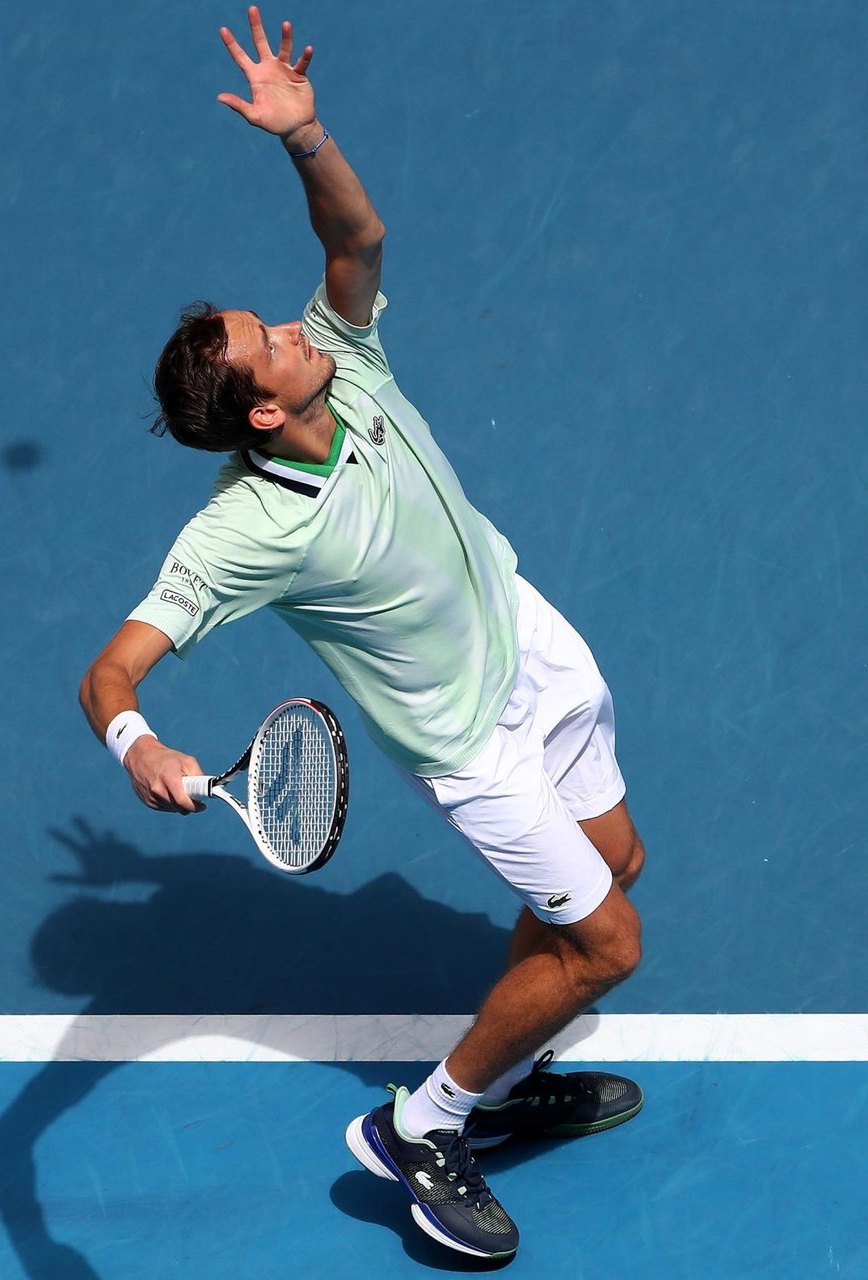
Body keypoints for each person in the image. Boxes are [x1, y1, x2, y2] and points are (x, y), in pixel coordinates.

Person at [80, 7, 645, 1261]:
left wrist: (303, 134)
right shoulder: (237, 538)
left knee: (619, 860)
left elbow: (358, 232)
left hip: (532, 644)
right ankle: (425, 1128)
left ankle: (492, 1087)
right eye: (267, 339)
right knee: (607, 940)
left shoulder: (343, 357)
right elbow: (110, 665)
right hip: (466, 743)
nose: (291, 324)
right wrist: (136, 743)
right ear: (265, 407)